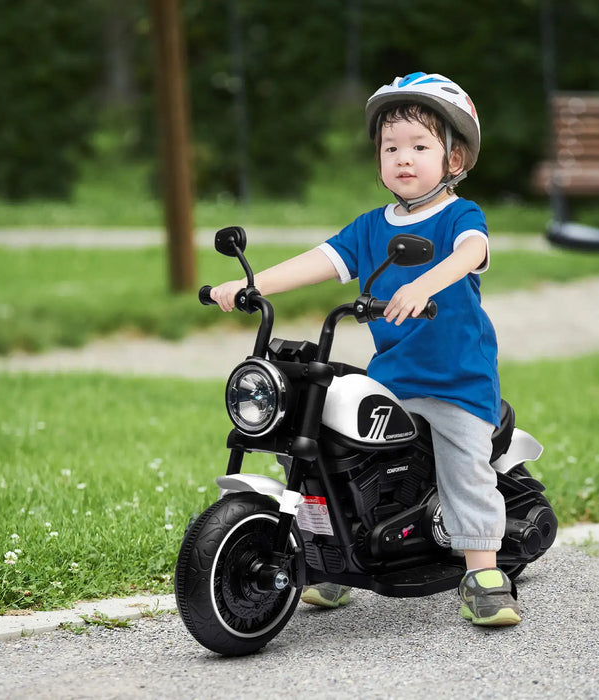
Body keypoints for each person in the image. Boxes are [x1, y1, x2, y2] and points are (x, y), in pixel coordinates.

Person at [210, 72, 520, 626]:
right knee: (330, 445)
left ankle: (482, 570)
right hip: (394, 376)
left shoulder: (459, 216)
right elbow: (320, 260)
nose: (404, 157)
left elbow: (472, 252)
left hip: (457, 379)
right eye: (391, 147)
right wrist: (252, 286)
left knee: (463, 463)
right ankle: (332, 559)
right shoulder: (370, 226)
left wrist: (426, 283)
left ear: (455, 158)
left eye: (421, 146)